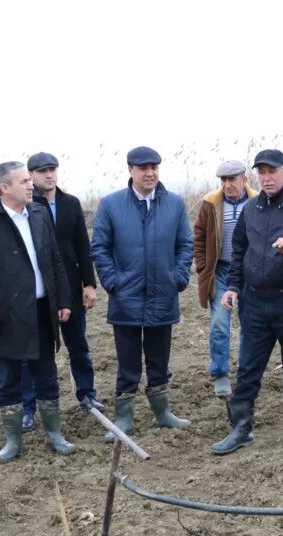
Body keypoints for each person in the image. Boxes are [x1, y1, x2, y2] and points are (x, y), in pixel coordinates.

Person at [211, 149, 283, 454]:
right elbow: (239, 252)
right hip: (255, 302)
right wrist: (233, 286)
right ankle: (241, 429)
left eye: (272, 171)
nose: (267, 177)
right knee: (248, 367)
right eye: (261, 172)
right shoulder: (250, 209)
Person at [0, 161, 75, 463]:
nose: (31, 185)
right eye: (24, 181)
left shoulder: (38, 213)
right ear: (4, 187)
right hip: (5, 316)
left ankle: (54, 434)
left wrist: (63, 300)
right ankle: (13, 441)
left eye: (29, 180)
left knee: (47, 374)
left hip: (41, 310)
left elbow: (55, 262)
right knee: (7, 379)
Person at [91, 146, 193, 441]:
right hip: (126, 298)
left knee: (160, 358)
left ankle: (163, 413)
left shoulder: (174, 204)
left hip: (164, 295)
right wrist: (113, 282)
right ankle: (124, 419)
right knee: (128, 361)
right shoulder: (110, 204)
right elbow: (99, 246)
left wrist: (176, 278)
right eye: (143, 168)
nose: (150, 173)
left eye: (154, 167)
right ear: (130, 170)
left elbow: (185, 244)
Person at [17, 152, 102, 433]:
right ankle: (28, 409)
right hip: (39, 293)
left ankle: (87, 395)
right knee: (34, 354)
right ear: (31, 176)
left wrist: (89, 284)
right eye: (42, 171)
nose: (49, 175)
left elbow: (82, 245)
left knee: (79, 347)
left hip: (70, 289)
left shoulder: (70, 204)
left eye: (52, 169)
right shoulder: (25, 207)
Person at [192, 159, 258, 398]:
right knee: (219, 324)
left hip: (250, 272)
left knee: (250, 325)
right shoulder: (210, 203)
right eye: (223, 180)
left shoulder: (258, 201)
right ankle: (220, 374)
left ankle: (245, 373)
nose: (227, 185)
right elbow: (198, 237)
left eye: (232, 179)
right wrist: (203, 266)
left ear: (245, 179)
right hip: (221, 272)